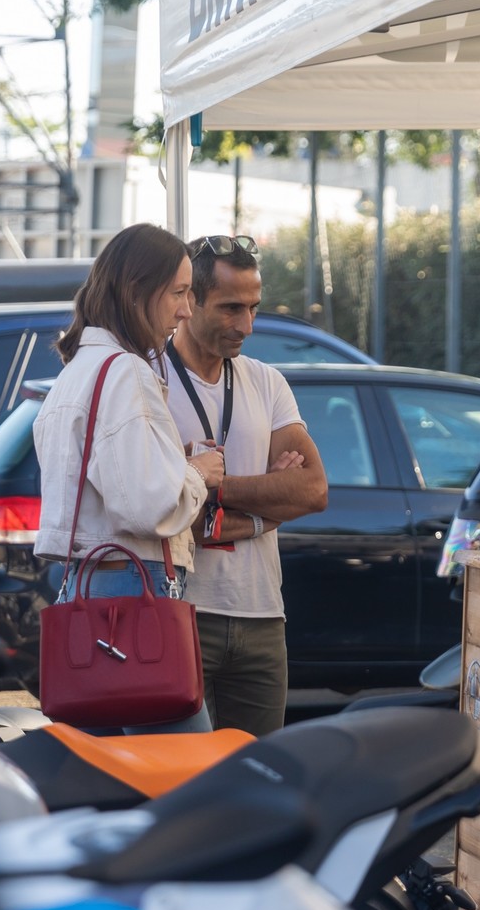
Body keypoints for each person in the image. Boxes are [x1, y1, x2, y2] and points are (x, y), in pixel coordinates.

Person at [33, 223, 226, 732]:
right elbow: (146, 505)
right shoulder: (126, 371)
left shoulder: (77, 371)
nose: (187, 310)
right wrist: (196, 474)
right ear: (139, 291)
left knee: (107, 769)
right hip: (133, 592)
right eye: (180, 293)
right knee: (185, 775)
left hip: (85, 588)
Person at [162, 234, 328, 736]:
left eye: (253, 308)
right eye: (231, 307)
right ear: (189, 300)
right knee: (181, 781)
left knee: (258, 780)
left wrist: (216, 486)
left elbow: (313, 490)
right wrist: (266, 505)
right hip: (178, 612)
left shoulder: (266, 381)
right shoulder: (150, 379)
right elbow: (160, 509)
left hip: (261, 615)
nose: (246, 326)